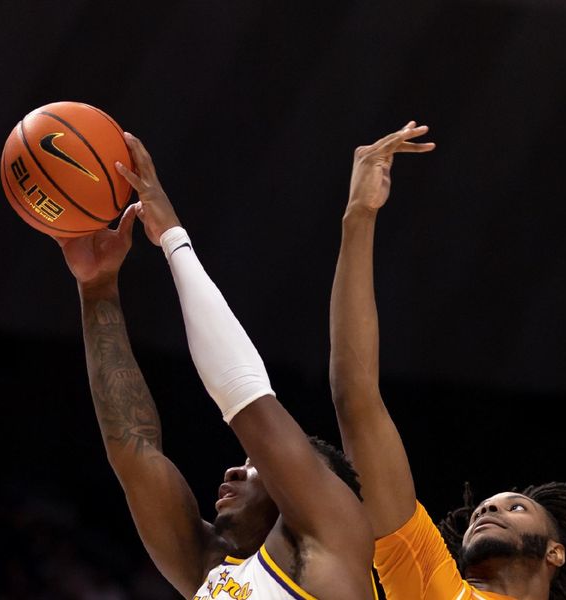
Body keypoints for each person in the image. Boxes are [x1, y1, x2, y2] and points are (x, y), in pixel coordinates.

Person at [56, 132, 377, 599]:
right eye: (249, 463)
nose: (233, 472)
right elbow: (134, 451)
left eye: (256, 466)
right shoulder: (213, 572)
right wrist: (98, 288)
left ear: (311, 487)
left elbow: (243, 395)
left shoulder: (336, 539)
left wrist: (173, 239)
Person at [328, 121, 566, 599]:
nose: (486, 511)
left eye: (514, 509)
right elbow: (356, 398)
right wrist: (358, 216)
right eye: (483, 510)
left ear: (555, 552)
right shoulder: (429, 582)